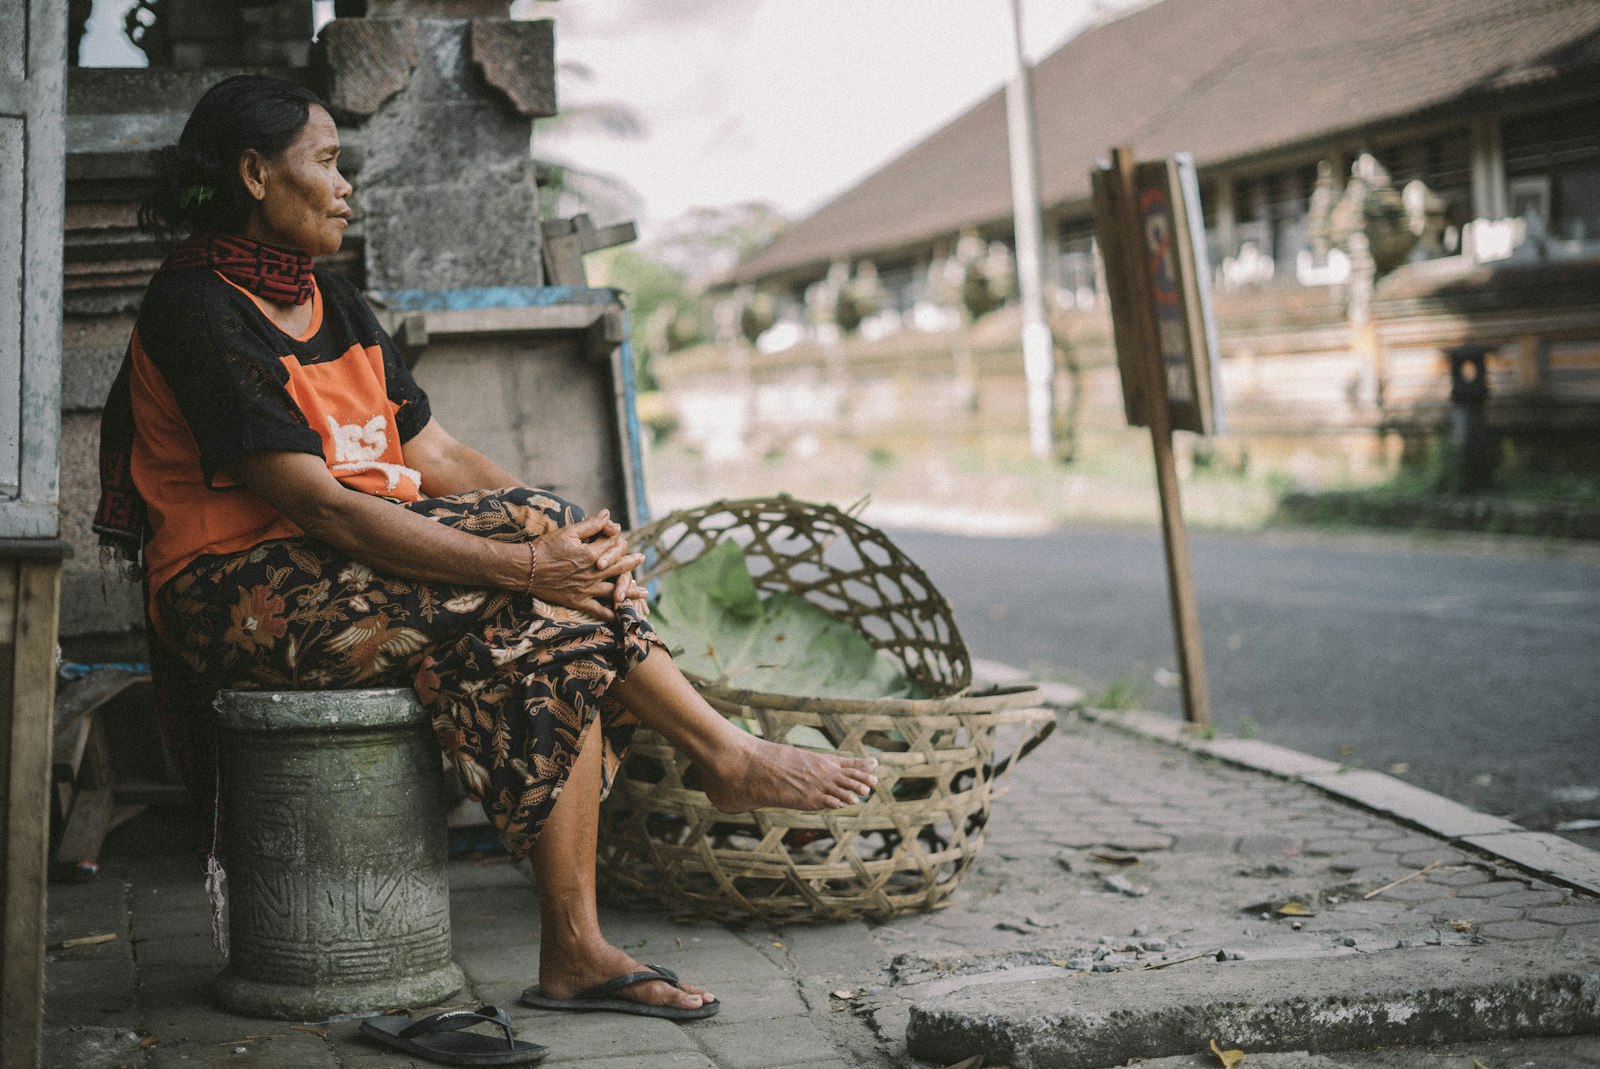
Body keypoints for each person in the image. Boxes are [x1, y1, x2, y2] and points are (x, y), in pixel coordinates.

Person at [95, 74, 877, 1023]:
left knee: (555, 608)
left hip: (359, 570)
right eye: (329, 164)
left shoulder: (334, 303)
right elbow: (319, 506)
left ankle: (576, 952)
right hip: (236, 590)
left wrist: (563, 529)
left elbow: (436, 455)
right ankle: (720, 751)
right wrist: (527, 561)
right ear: (256, 173)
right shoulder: (199, 308)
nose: (348, 187)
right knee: (539, 570)